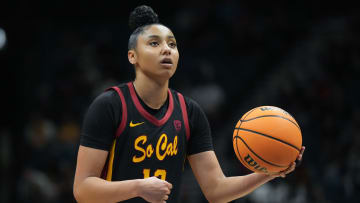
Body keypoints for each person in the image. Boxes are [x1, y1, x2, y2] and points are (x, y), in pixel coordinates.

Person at [73, 5, 305, 203]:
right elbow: (82, 189)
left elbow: (216, 190)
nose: (166, 49)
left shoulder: (189, 112)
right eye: (154, 43)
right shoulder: (110, 105)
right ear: (132, 56)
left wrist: (271, 172)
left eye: (172, 44)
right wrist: (138, 187)